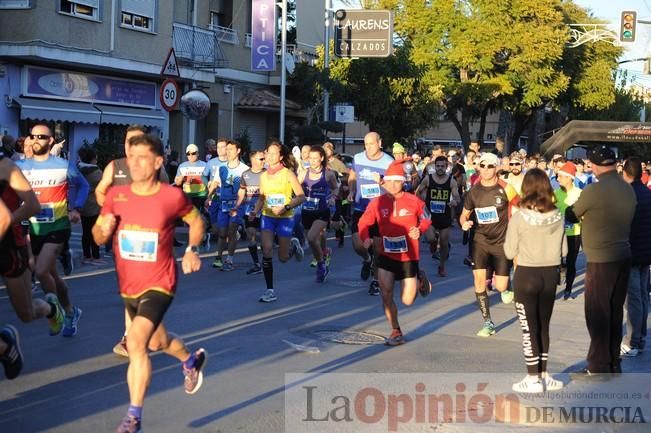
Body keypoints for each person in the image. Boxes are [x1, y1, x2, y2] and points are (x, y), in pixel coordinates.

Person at [92, 134, 207, 433]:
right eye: (131, 157)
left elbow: (196, 221)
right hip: (128, 286)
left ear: (157, 162)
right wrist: (101, 231)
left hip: (160, 282)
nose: (135, 163)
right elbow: (99, 231)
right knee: (157, 342)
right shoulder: (117, 196)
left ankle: (133, 416)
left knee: (137, 342)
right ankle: (190, 360)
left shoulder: (171, 196)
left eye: (143, 157)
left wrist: (192, 250)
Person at [95, 124, 169, 357]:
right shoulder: (115, 166)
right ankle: (135, 334)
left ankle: (139, 333)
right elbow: (100, 191)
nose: (132, 145)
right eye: (128, 141)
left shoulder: (156, 166)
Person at [566, 145, 636, 376]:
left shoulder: (594, 191)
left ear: (595, 165)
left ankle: (597, 364)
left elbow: (572, 213)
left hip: (600, 259)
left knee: (597, 313)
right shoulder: (627, 189)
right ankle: (613, 361)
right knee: (615, 312)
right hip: (623, 255)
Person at [17, 124, 88, 338]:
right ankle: (70, 311)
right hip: (33, 228)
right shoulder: (20, 166)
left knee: (39, 270)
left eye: (42, 136)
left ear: (51, 141)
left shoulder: (63, 165)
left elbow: (83, 185)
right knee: (51, 274)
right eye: (33, 135)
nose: (36, 139)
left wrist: (76, 208)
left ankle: (54, 313)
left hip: (58, 227)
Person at [504, 168, 566, 393]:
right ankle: (544, 374)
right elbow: (565, 249)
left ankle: (532, 379)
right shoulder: (558, 214)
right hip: (550, 274)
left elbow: (510, 251)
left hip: (527, 274)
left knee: (528, 328)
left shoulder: (520, 215)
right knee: (543, 326)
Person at [358, 160, 432, 346]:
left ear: (403, 182)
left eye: (396, 181)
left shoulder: (414, 201)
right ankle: (395, 330)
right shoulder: (378, 202)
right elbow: (363, 222)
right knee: (385, 293)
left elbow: (427, 218)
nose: (392, 184)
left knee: (407, 300)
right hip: (386, 255)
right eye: (388, 181)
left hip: (408, 256)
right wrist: (365, 237)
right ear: (384, 182)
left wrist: (420, 229)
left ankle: (420, 279)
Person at [459, 152, 518, 337]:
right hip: (480, 241)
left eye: (490, 166)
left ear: (497, 168)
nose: (485, 169)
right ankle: (488, 322)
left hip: (501, 242)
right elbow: (464, 214)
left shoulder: (506, 188)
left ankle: (506, 286)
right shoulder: (473, 192)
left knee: (500, 287)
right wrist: (463, 223)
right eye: (482, 165)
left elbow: (521, 206)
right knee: (478, 282)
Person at [253, 141, 305, 303]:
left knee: (282, 258)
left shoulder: (288, 174)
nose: (270, 156)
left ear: (281, 156)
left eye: (274, 153)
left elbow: (301, 196)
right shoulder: (263, 175)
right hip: (268, 217)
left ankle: (292, 246)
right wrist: (255, 211)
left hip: (285, 218)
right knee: (266, 249)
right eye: (268, 153)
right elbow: (262, 197)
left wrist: (285, 206)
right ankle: (270, 290)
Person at [348, 132, 393, 295]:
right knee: (357, 244)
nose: (368, 147)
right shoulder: (358, 158)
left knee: (378, 248)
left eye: (372, 144)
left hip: (381, 211)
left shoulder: (389, 162)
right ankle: (367, 260)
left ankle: (375, 280)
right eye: (366, 144)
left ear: (380, 143)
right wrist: (351, 190)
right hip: (361, 208)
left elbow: (395, 187)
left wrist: (381, 181)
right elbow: (352, 176)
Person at [620, 157, 651, 358]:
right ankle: (640, 338)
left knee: (633, 299)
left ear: (625, 173)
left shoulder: (628, 195)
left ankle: (633, 340)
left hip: (632, 253)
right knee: (642, 296)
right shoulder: (647, 193)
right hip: (646, 252)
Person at [298, 146, 339, 282]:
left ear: (321, 158)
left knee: (310, 237)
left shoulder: (328, 174)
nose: (313, 161)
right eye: (311, 158)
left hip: (322, 211)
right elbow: (295, 189)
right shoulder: (304, 173)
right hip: (307, 211)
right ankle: (322, 258)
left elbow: (335, 188)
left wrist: (333, 197)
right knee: (313, 240)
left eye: (316, 158)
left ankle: (321, 264)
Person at [416, 155, 460, 277]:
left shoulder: (451, 181)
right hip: (430, 215)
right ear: (435, 167)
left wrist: (455, 202)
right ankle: (434, 243)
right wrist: (421, 202)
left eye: (442, 166)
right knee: (430, 239)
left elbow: (457, 197)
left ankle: (441, 266)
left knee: (444, 243)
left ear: (446, 167)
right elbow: (418, 191)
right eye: (438, 166)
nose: (440, 168)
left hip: (445, 215)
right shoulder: (428, 179)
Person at [211, 140, 249, 271]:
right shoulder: (221, 168)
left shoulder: (244, 169)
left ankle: (229, 259)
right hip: (223, 204)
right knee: (222, 233)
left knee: (231, 230)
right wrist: (209, 196)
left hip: (237, 205)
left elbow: (247, 189)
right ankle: (219, 257)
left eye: (231, 149)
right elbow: (215, 183)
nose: (228, 152)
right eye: (227, 149)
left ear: (238, 151)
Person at [553, 162, 582, 300]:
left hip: (574, 233)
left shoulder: (579, 194)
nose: (558, 179)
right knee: (555, 262)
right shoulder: (554, 194)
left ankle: (568, 289)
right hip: (557, 233)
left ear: (570, 178)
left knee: (571, 262)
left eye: (561, 177)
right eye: (557, 176)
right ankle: (553, 286)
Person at [236, 150, 265, 274]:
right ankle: (256, 264)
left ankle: (265, 262)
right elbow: (242, 191)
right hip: (250, 211)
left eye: (264, 158)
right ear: (253, 160)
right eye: (261, 159)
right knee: (251, 236)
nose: (264, 161)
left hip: (265, 210)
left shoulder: (267, 174)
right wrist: (236, 205)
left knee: (265, 239)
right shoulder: (246, 174)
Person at [175, 144, 209, 247]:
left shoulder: (204, 165)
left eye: (193, 153)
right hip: (188, 195)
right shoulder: (182, 166)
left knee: (198, 216)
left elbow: (210, 179)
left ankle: (201, 236)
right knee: (190, 218)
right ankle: (198, 237)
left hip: (201, 194)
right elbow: (177, 182)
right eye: (188, 154)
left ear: (198, 154)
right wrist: (181, 179)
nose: (191, 156)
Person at [203, 138, 229, 267]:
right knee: (215, 227)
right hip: (215, 197)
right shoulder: (211, 162)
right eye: (217, 147)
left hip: (227, 199)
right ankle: (226, 238)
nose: (219, 150)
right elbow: (204, 176)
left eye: (222, 147)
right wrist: (206, 187)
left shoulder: (233, 163)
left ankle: (220, 256)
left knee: (223, 227)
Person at [77, 147, 104, 265]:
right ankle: (96, 256)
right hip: (94, 205)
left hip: (82, 205)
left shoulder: (78, 170)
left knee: (85, 232)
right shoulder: (97, 173)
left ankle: (86, 255)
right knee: (95, 231)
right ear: (92, 159)